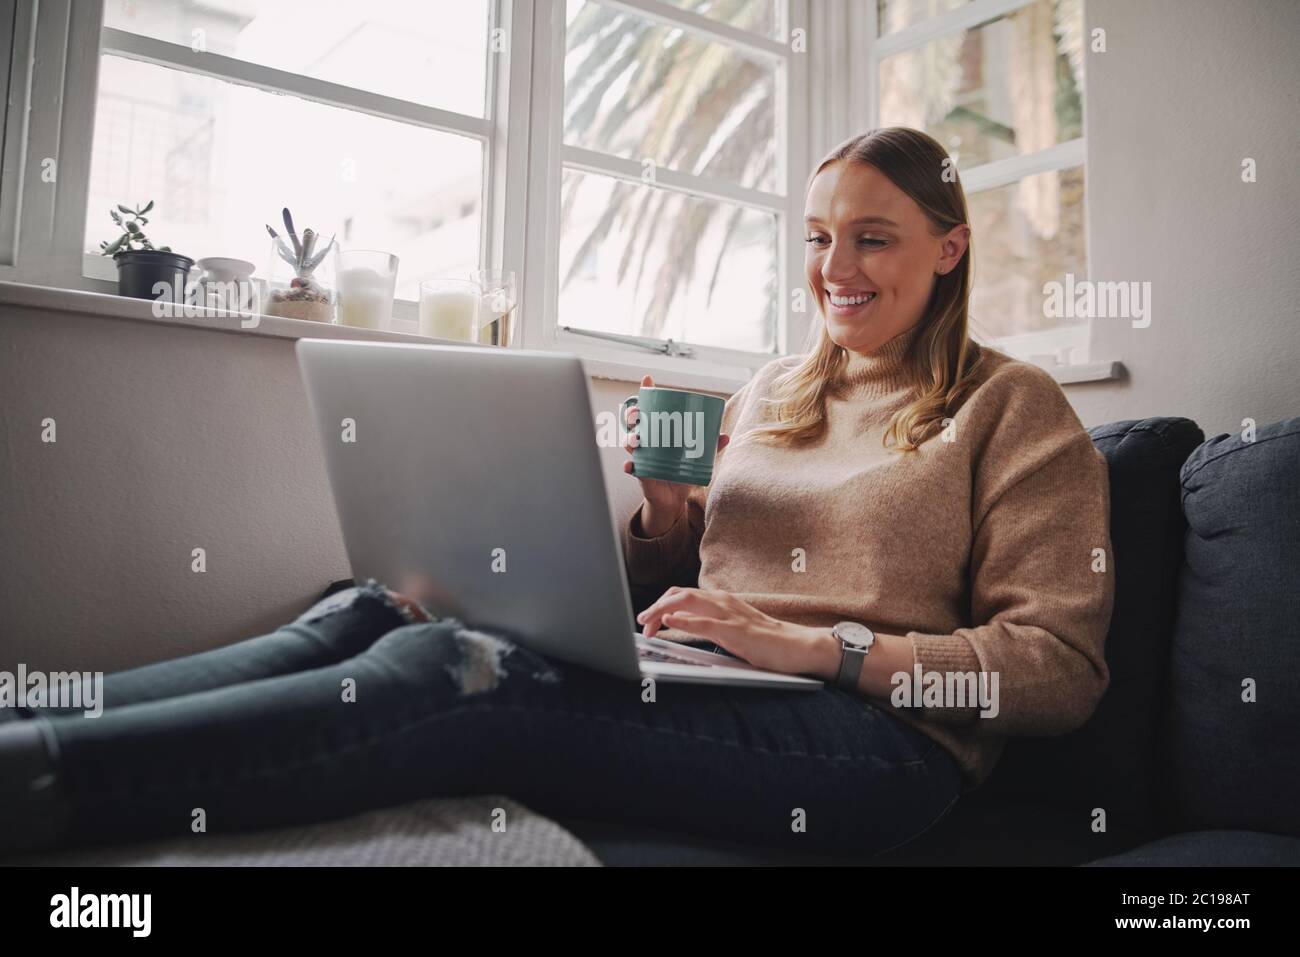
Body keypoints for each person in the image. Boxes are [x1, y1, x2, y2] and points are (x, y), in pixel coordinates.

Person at [0, 128, 1112, 859]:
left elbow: (1058, 677)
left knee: (462, 670)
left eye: (874, 238)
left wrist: (831, 652)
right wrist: (665, 522)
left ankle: (44, 782)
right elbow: (687, 593)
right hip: (712, 679)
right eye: (820, 238)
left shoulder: (1013, 409)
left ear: (951, 248)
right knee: (373, 607)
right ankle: (32, 718)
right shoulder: (776, 390)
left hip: (878, 748)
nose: (836, 268)